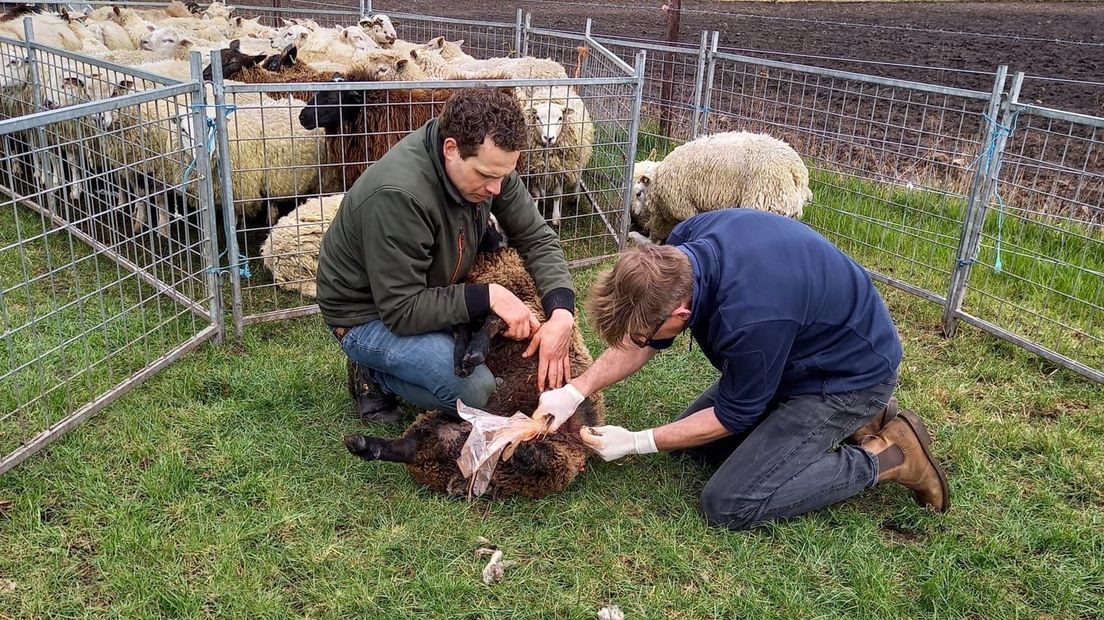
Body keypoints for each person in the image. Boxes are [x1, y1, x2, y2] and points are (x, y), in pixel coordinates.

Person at [534, 209, 949, 530]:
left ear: (680, 312)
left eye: (643, 337)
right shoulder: (682, 248)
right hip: (795, 353)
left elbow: (734, 414)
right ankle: (861, 420)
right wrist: (574, 391)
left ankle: (890, 455)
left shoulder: (750, 319)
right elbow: (650, 340)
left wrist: (638, 441)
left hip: (845, 379)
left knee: (730, 502)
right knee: (694, 446)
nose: (642, 344)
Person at [316, 88, 577, 422]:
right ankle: (372, 373)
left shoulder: (488, 165)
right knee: (476, 391)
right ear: (451, 149)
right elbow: (400, 309)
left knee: (494, 355)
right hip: (366, 313)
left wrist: (561, 313)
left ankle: (417, 357)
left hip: (429, 287)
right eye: (486, 176)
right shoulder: (399, 195)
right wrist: (488, 296)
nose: (496, 189)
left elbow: (537, 237)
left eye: (504, 175)